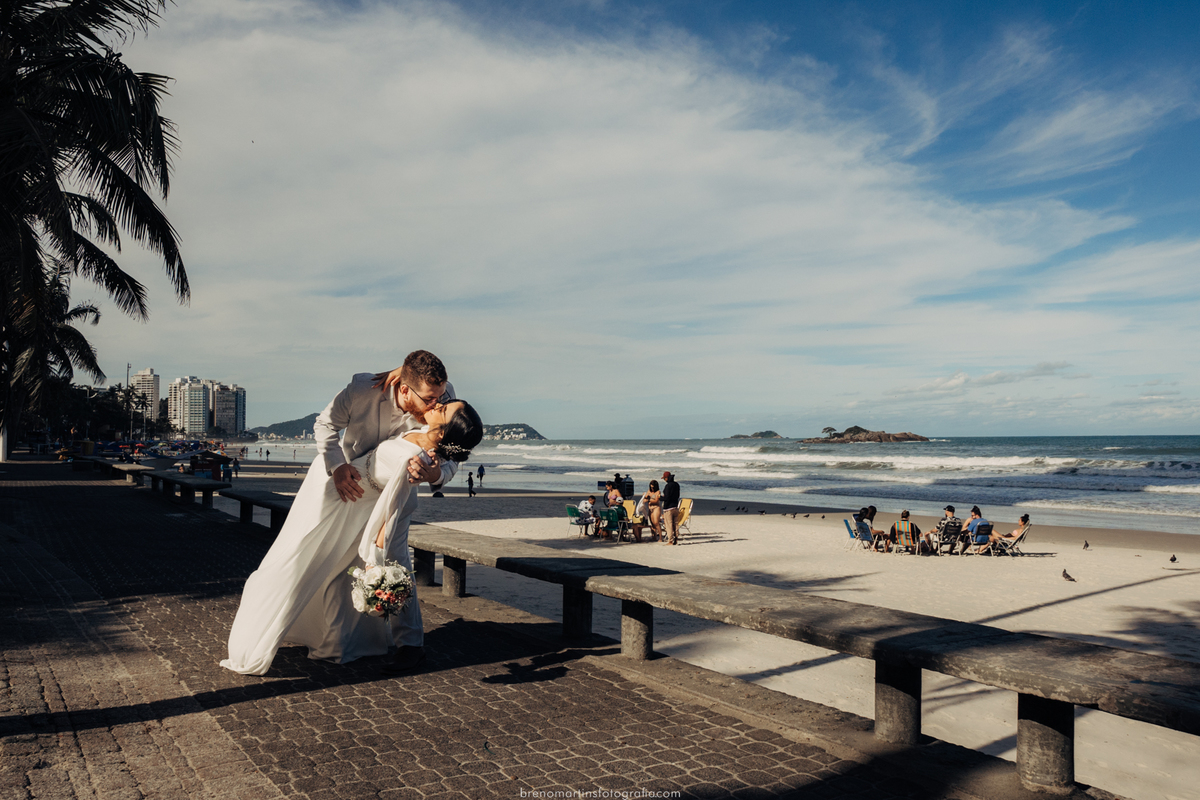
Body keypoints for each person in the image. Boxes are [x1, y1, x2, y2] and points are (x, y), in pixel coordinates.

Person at [221, 399, 483, 677]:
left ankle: (407, 645)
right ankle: (343, 638)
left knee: (339, 565)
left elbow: (392, 509)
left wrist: (376, 554)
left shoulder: (417, 459)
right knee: (323, 565)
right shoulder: (423, 428)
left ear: (442, 433)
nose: (436, 404)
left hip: (367, 505)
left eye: (442, 409)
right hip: (352, 499)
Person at [314, 350, 458, 500]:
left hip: (400, 499)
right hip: (350, 485)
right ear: (405, 391)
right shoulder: (362, 391)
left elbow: (455, 448)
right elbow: (325, 424)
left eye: (439, 397)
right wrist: (337, 466)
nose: (436, 405)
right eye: (429, 399)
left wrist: (438, 476)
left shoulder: (443, 398)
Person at [661, 472, 681, 546]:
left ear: (666, 478)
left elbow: (666, 498)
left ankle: (670, 541)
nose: (664, 480)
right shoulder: (676, 485)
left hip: (668, 508)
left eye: (664, 478)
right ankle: (676, 539)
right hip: (675, 506)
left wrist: (660, 498)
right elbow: (678, 495)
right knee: (675, 524)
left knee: (669, 525)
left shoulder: (667, 486)